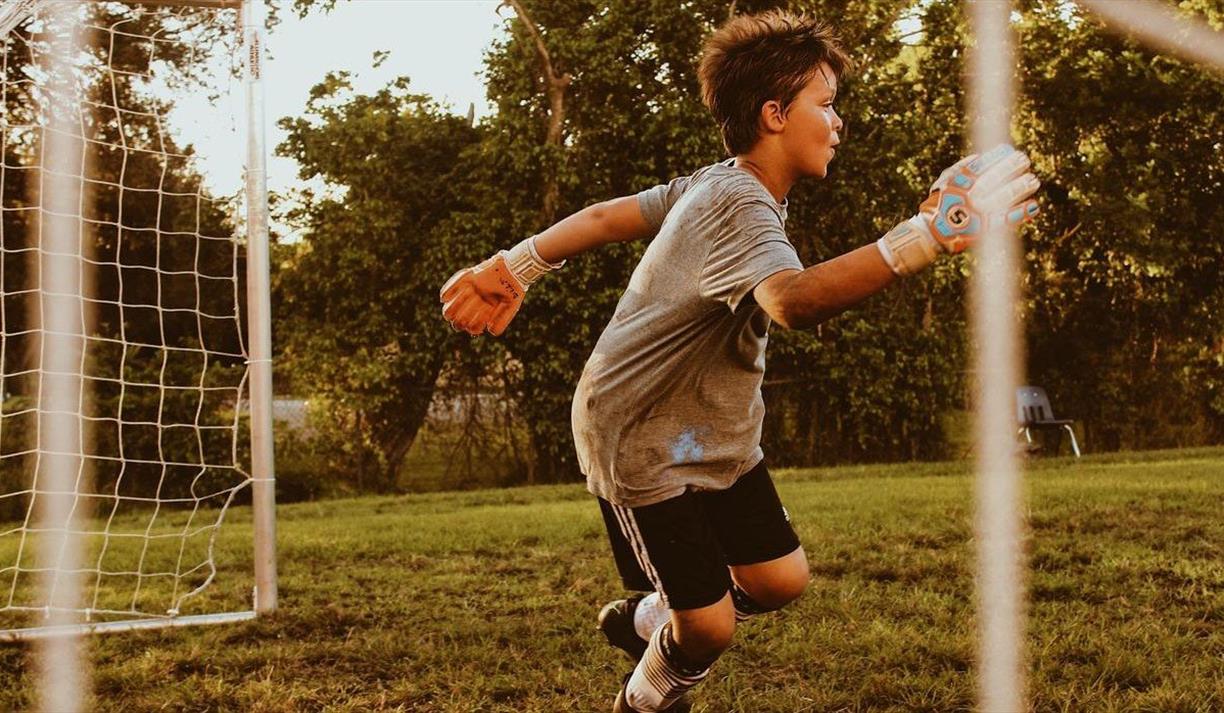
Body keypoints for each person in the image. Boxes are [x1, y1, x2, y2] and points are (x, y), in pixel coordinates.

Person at [440, 10, 1040, 712]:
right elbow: (794, 302)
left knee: (780, 579)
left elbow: (610, 217)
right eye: (827, 105)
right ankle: (645, 698)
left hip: (711, 433)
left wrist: (516, 265)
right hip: (642, 440)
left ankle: (647, 622)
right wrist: (923, 238)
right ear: (774, 114)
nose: (838, 121)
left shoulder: (717, 182)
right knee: (712, 625)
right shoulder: (735, 201)